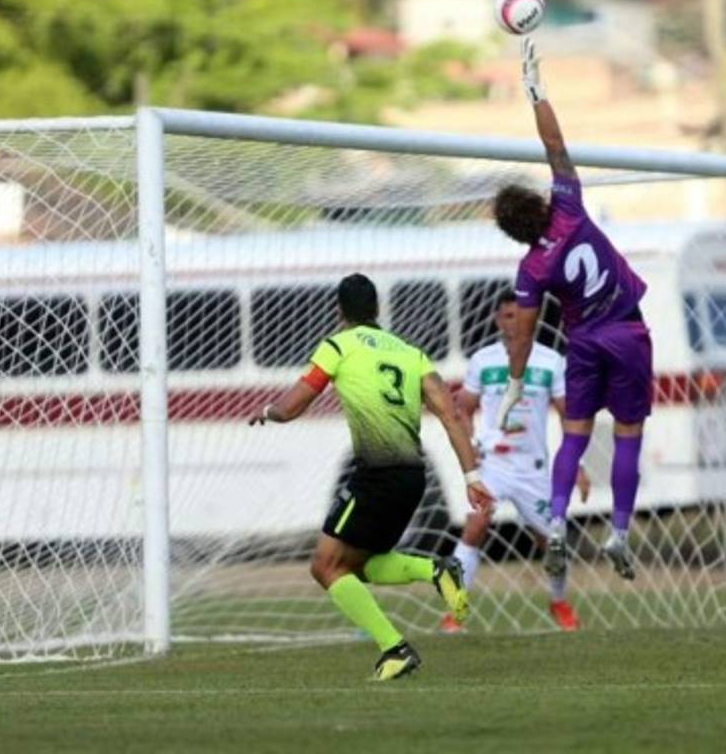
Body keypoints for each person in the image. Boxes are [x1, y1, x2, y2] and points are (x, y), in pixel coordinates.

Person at [248, 273, 493, 681]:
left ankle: (394, 648)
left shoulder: (337, 346)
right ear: (377, 309)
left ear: (339, 311)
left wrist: (268, 411)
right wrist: (471, 475)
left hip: (376, 476)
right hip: (413, 478)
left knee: (325, 568)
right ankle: (435, 570)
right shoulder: (409, 353)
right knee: (358, 567)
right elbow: (450, 414)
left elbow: (294, 405)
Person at [491, 38, 653, 581]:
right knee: (628, 435)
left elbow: (525, 333)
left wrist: (516, 383)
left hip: (582, 344)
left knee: (575, 435)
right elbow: (555, 142)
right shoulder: (568, 205)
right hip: (626, 333)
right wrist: (536, 90)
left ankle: (557, 522)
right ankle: (621, 533)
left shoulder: (530, 271)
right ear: (537, 204)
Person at [442, 288, 591, 633]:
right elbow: (462, 407)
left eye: (520, 316)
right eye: (507, 316)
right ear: (497, 320)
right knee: (476, 525)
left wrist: (577, 464)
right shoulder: (483, 361)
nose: (514, 323)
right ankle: (455, 610)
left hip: (532, 468)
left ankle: (557, 600)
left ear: (533, 320)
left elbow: (569, 416)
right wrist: (471, 442)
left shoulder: (550, 362)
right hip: (493, 465)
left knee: (552, 542)